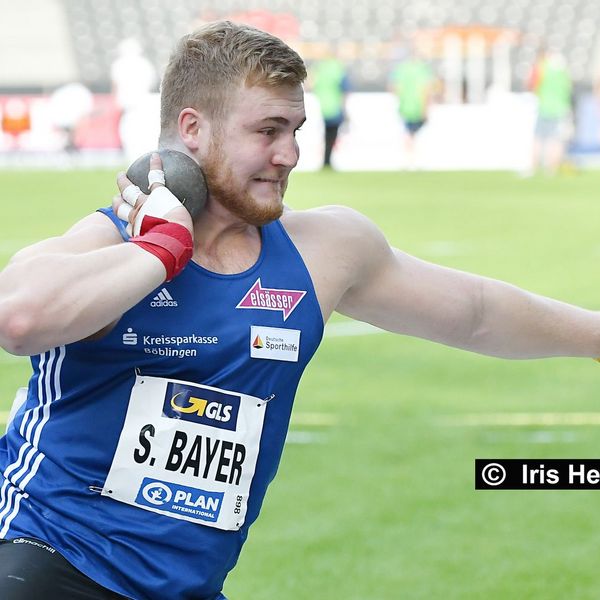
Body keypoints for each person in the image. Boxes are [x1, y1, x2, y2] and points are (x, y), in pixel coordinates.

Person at [0, 20, 599, 600]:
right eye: (268, 130)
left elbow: (477, 312)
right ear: (192, 129)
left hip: (185, 586)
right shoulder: (112, 242)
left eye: (296, 129)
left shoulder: (323, 253)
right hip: (45, 558)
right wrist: (160, 251)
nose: (289, 154)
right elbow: (18, 318)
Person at [528, 49, 572, 175]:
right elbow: (568, 87)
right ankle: (551, 169)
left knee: (538, 138)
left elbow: (533, 85)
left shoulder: (542, 67)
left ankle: (533, 168)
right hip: (560, 108)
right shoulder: (562, 70)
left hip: (544, 108)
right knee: (556, 140)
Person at [389, 48, 435, 169]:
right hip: (418, 107)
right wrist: (426, 108)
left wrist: (402, 99)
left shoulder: (401, 69)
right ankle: (415, 161)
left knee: (408, 134)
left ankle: (408, 160)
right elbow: (427, 90)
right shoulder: (423, 70)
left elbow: (394, 88)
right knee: (414, 135)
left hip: (405, 106)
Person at [310, 48, 349, 168]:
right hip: (334, 107)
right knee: (332, 134)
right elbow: (344, 90)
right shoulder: (338, 68)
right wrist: (344, 108)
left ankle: (325, 160)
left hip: (321, 106)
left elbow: (311, 84)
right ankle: (327, 160)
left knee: (326, 134)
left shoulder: (319, 68)